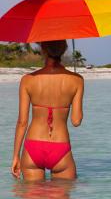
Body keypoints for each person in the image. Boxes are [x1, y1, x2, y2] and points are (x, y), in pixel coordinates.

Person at [10, 40, 84, 181]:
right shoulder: (77, 80)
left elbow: (22, 122)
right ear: (64, 49)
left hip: (33, 146)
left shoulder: (27, 80)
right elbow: (76, 121)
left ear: (43, 49)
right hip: (60, 147)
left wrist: (16, 156)